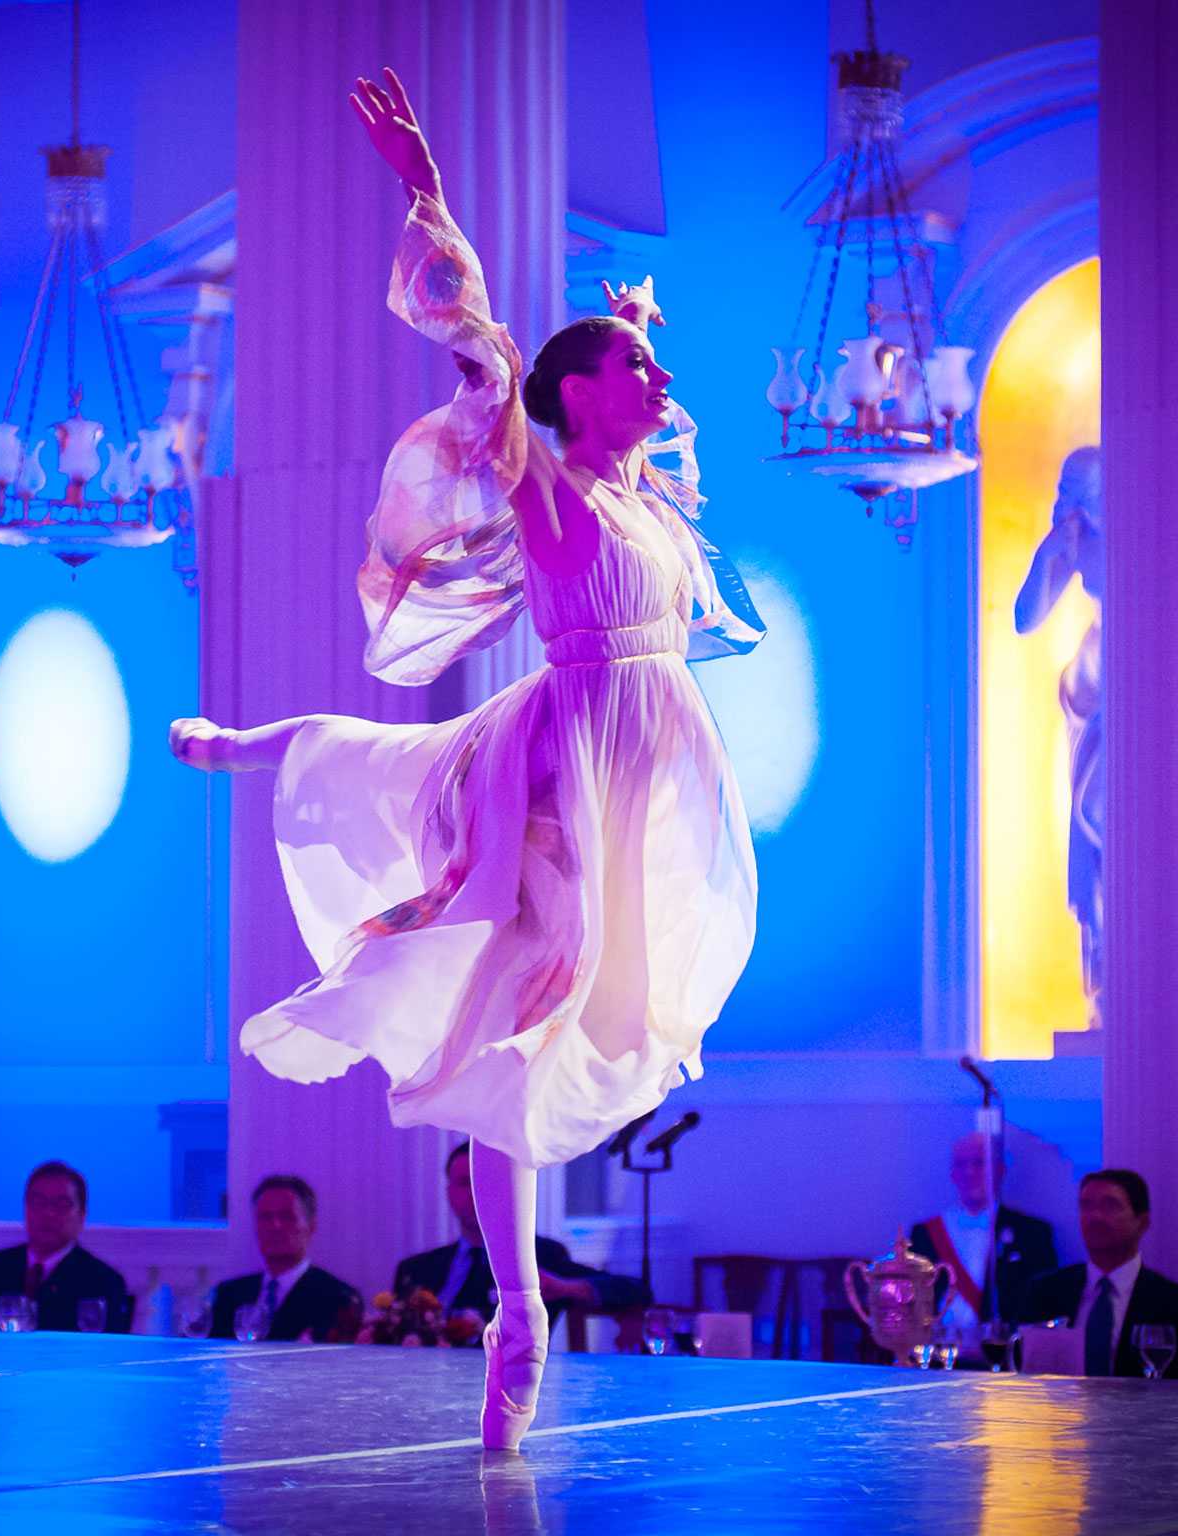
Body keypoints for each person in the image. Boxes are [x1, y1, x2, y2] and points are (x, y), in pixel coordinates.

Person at [170, 70, 760, 1449]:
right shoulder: (548, 489)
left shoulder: (656, 507)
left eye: (649, 365)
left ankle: (256, 741)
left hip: (651, 773)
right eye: (629, 365)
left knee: (604, 1006)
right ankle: (519, 1304)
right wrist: (424, 187)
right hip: (557, 774)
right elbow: (490, 361)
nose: (655, 376)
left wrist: (641, 334)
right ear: (573, 392)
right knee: (506, 1013)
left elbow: (682, 522)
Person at [1013, 447, 1103, 1026]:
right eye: (1065, 486)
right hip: (1096, 694)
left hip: (1140, 687)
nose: (1067, 496)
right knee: (1097, 839)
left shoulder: (1154, 524)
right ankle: (1104, 989)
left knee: (1114, 827)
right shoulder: (1079, 542)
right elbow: (1025, 618)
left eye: (1079, 486)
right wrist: (1053, 551)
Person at [395, 1143, 650, 1331]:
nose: (475, 1193)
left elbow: (636, 1290)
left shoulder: (539, 1256)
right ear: (449, 1192)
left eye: (484, 1182)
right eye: (464, 1183)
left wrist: (563, 1287)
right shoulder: (417, 1269)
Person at [1023, 1169, 1178, 1381]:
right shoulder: (1045, 1292)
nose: (1095, 1216)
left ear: (1142, 1222)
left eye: (1110, 1206)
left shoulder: (1177, 1305)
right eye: (1086, 1206)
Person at [906, 1132, 1057, 1343]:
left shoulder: (1032, 1233)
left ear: (1000, 1170)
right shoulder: (924, 1233)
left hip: (1001, 1354)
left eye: (979, 1163)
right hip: (936, 1353)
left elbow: (1043, 1305)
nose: (969, 1172)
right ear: (952, 1174)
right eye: (961, 1164)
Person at [0, 1161, 133, 1333]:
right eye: (38, 1202)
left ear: (82, 1214)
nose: (48, 1213)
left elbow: (110, 1351)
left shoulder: (103, 1281)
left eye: (62, 1204)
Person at [208, 1176, 359, 1342]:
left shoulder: (337, 1297)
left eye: (287, 1217)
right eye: (265, 1217)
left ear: (311, 1226)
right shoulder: (230, 1293)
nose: (275, 1226)